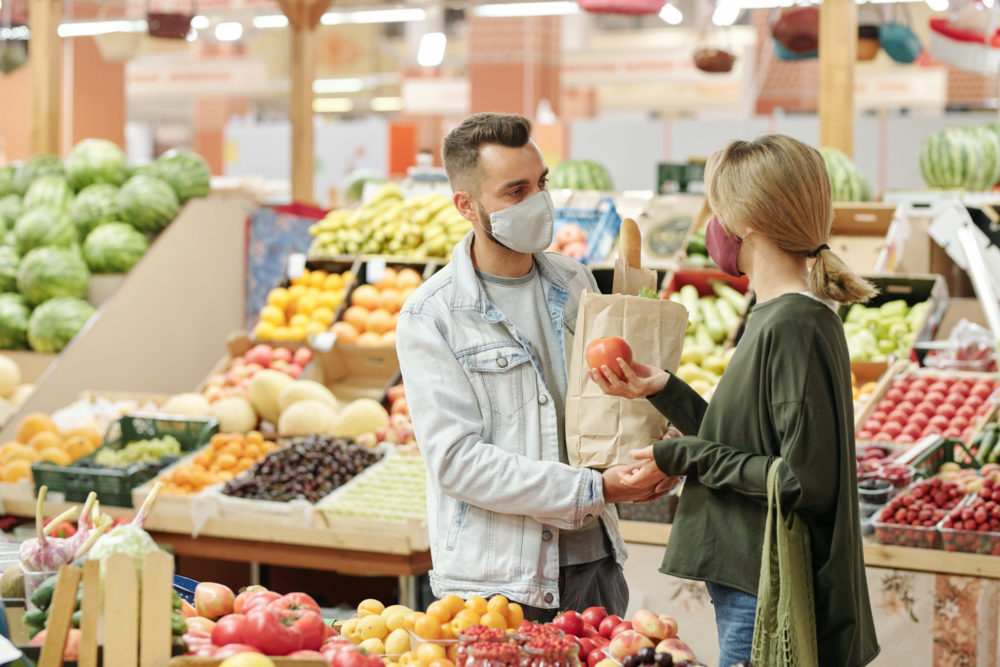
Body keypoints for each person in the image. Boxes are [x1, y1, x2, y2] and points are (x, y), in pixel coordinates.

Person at [589, 135, 880, 666]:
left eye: (717, 209)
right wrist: (667, 390)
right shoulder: (778, 314)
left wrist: (683, 456)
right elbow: (750, 443)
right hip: (752, 577)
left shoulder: (793, 323)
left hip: (764, 588)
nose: (713, 226)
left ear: (748, 221)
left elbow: (801, 481)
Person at [396, 112, 667, 622]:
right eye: (515, 192)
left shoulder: (575, 281)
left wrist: (652, 448)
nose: (538, 202)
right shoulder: (432, 316)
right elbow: (456, 461)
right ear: (466, 206)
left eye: (541, 184)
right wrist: (596, 488)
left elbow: (602, 407)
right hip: (499, 583)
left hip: (595, 564)